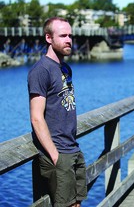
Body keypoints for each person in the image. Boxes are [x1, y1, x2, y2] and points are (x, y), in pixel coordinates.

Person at [27, 17, 87, 207]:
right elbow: (37, 118)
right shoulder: (40, 71)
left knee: (77, 204)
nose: (69, 39)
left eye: (70, 35)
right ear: (49, 38)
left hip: (73, 148)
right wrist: (55, 156)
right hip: (59, 152)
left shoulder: (64, 68)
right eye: (63, 35)